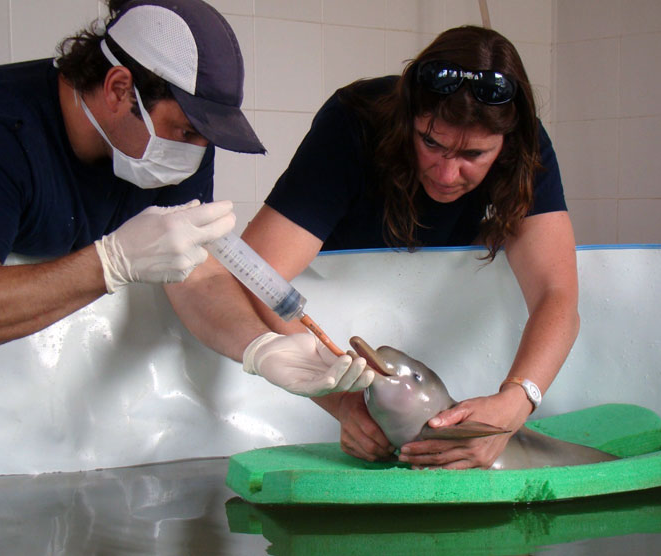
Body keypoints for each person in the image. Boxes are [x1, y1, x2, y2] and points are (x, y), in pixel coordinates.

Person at [187, 25, 580, 469]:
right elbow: (257, 276)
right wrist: (339, 403)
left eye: (474, 155)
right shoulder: (355, 122)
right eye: (431, 142)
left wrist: (516, 401)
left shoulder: (525, 146)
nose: (448, 175)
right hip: (323, 343)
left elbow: (557, 295)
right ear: (406, 117)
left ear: (506, 145)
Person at [0, 0, 371, 398]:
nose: (196, 152)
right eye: (185, 131)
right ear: (119, 89)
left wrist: (258, 347)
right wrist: (109, 263)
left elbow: (196, 276)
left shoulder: (175, 149)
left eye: (205, 137)